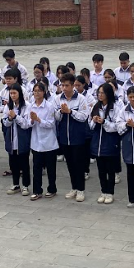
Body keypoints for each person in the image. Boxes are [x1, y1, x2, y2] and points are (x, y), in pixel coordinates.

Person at [55, 73, 89, 202]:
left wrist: (70, 112)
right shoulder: (58, 99)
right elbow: (55, 117)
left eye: (67, 85)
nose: (64, 88)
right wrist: (61, 112)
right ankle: (74, 187)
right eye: (62, 85)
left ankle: (81, 190)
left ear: (73, 85)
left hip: (78, 137)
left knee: (78, 164)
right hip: (64, 137)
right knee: (69, 164)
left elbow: (84, 116)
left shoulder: (81, 99)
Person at [28, 82, 58, 200]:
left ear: (44, 92)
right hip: (36, 142)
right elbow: (28, 123)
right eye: (35, 91)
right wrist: (32, 120)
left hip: (49, 141)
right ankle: (37, 190)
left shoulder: (49, 106)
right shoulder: (31, 106)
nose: (36, 93)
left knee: (51, 168)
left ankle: (52, 189)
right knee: (36, 168)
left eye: (39, 91)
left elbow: (51, 124)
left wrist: (38, 119)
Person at [1, 84, 32, 195]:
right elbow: (5, 122)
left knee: (24, 163)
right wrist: (10, 119)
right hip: (11, 138)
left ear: (20, 93)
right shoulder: (8, 106)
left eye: (14, 93)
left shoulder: (27, 106)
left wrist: (15, 117)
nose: (13, 95)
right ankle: (15, 184)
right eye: (11, 93)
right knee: (13, 163)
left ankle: (25, 185)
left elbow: (27, 124)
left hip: (22, 139)